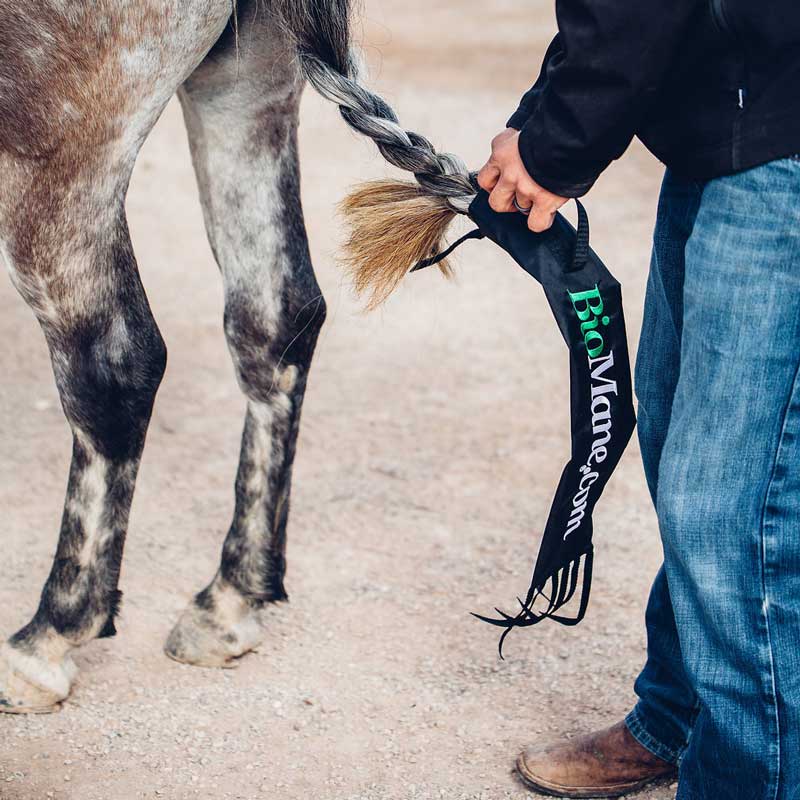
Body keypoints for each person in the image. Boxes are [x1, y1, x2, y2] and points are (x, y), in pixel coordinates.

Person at [476, 1, 800, 798]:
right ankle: (679, 717)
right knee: (673, 438)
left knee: (731, 503)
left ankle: (744, 777)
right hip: (726, 116)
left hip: (782, 131)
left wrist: (556, 144)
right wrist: (541, 123)